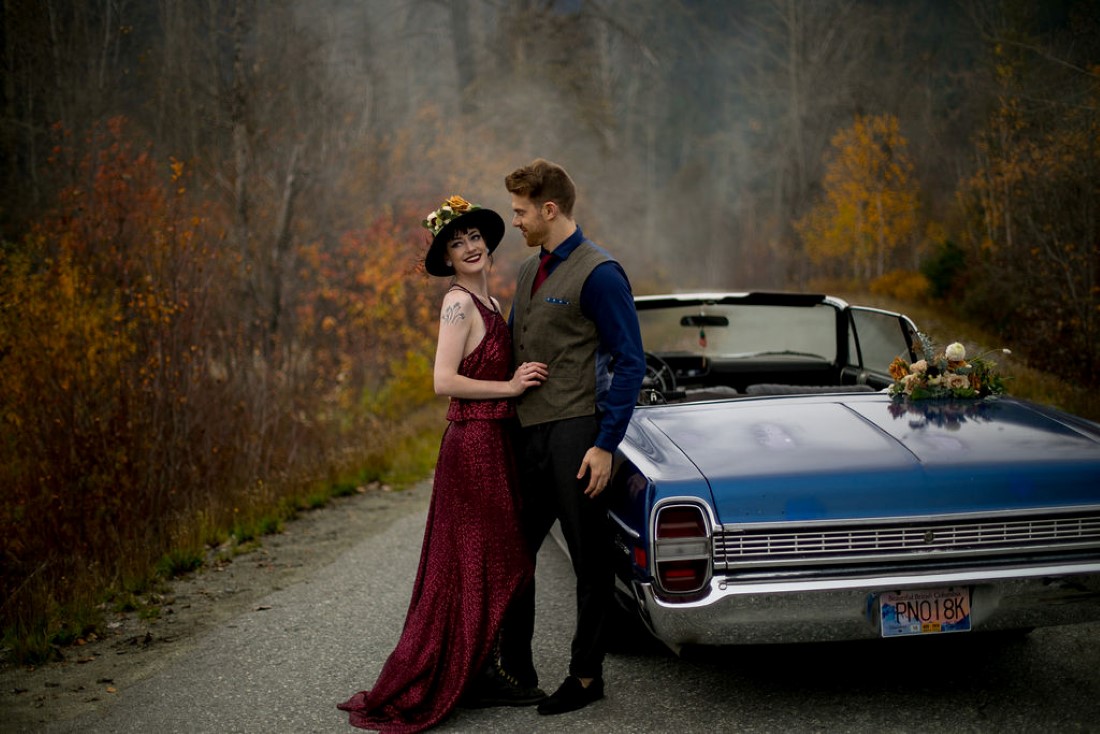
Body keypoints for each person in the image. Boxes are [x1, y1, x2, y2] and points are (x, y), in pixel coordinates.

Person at [338, 195, 550, 732]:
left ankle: (478, 671)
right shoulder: (457, 304)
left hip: (494, 442)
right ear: (449, 260)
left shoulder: (494, 305)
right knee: (496, 560)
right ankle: (474, 674)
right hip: (472, 445)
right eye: (457, 244)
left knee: (484, 561)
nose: (470, 247)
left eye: (474, 237)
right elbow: (443, 380)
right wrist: (510, 385)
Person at [499, 160, 646, 716]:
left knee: (589, 560)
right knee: (515, 553)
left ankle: (586, 676)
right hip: (528, 435)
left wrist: (606, 444)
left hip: (578, 434)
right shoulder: (524, 272)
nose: (516, 221)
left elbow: (631, 363)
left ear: (549, 209)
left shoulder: (601, 272)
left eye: (520, 211)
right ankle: (515, 670)